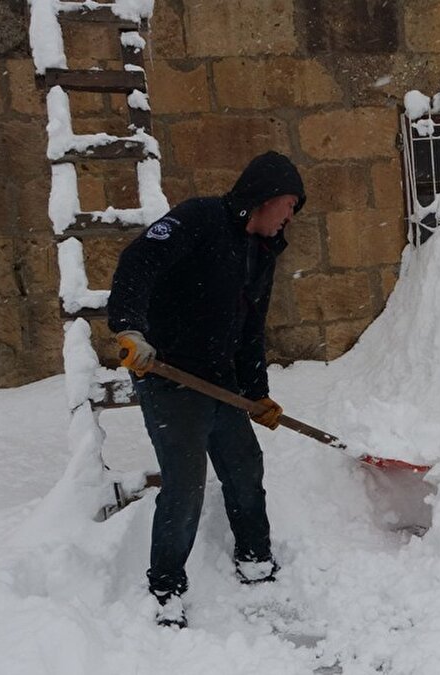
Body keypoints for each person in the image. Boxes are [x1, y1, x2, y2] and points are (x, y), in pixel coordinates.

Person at [107, 150, 306, 629]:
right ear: (267, 198)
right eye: (289, 206)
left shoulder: (261, 254)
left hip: (220, 383)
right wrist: (130, 329)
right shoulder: (200, 218)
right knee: (186, 483)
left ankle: (255, 558)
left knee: (244, 464)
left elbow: (250, 328)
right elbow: (138, 262)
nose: (290, 218)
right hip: (169, 377)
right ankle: (166, 586)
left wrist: (256, 393)